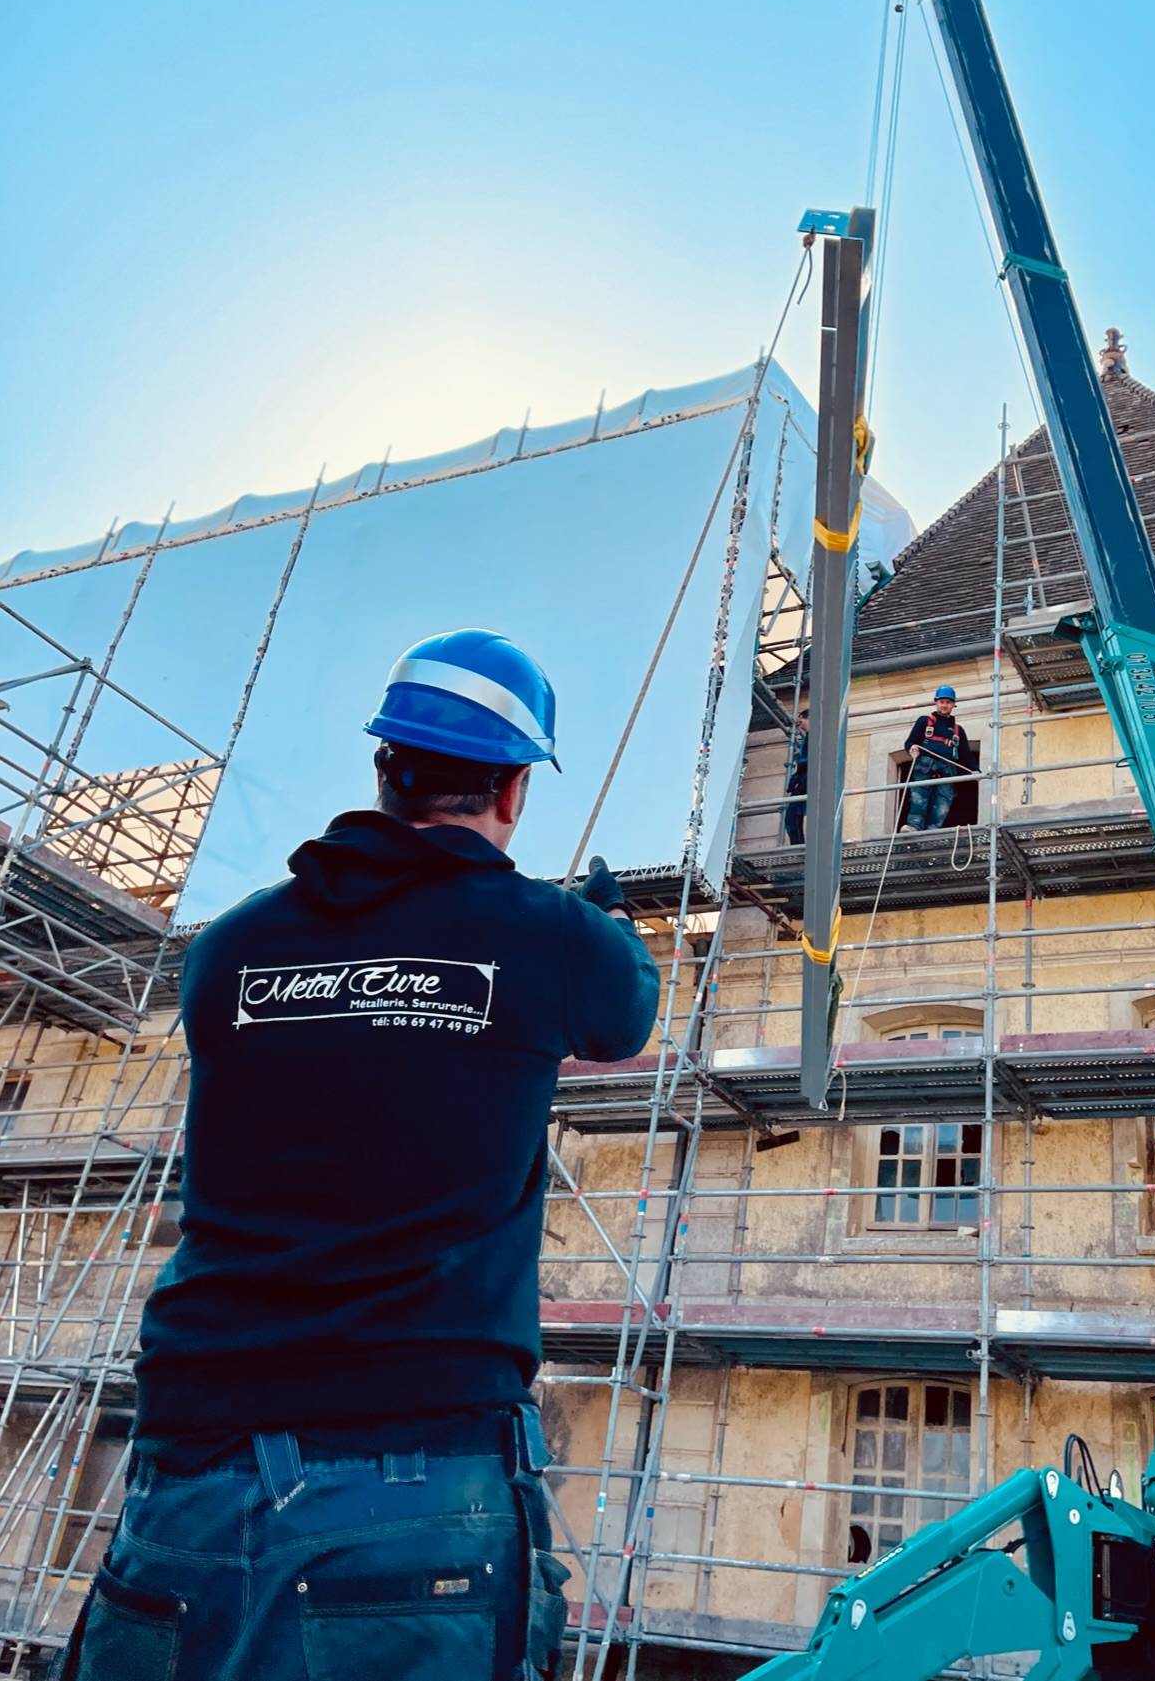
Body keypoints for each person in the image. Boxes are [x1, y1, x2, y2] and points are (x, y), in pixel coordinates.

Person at [60, 629, 660, 1681]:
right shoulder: (554, 941)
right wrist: (604, 920)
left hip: (189, 1471)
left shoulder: (230, 951)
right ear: (513, 790)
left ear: (384, 765)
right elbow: (626, 1014)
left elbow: (354, 1042)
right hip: (415, 1471)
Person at [900, 685, 973, 833]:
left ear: (953, 705)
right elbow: (910, 742)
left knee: (942, 806)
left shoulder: (958, 731)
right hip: (925, 767)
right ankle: (914, 827)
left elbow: (966, 755)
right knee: (918, 800)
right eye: (942, 702)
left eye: (948, 702)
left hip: (947, 770)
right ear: (936, 703)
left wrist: (975, 770)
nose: (944, 705)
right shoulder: (924, 722)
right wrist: (912, 748)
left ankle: (932, 832)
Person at [784, 705, 809, 846]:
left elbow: (808, 761)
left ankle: (798, 847)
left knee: (792, 819)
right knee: (793, 819)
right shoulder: (810, 738)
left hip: (805, 782)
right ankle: (798, 846)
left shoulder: (814, 736)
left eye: (802, 721)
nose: (801, 725)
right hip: (803, 781)